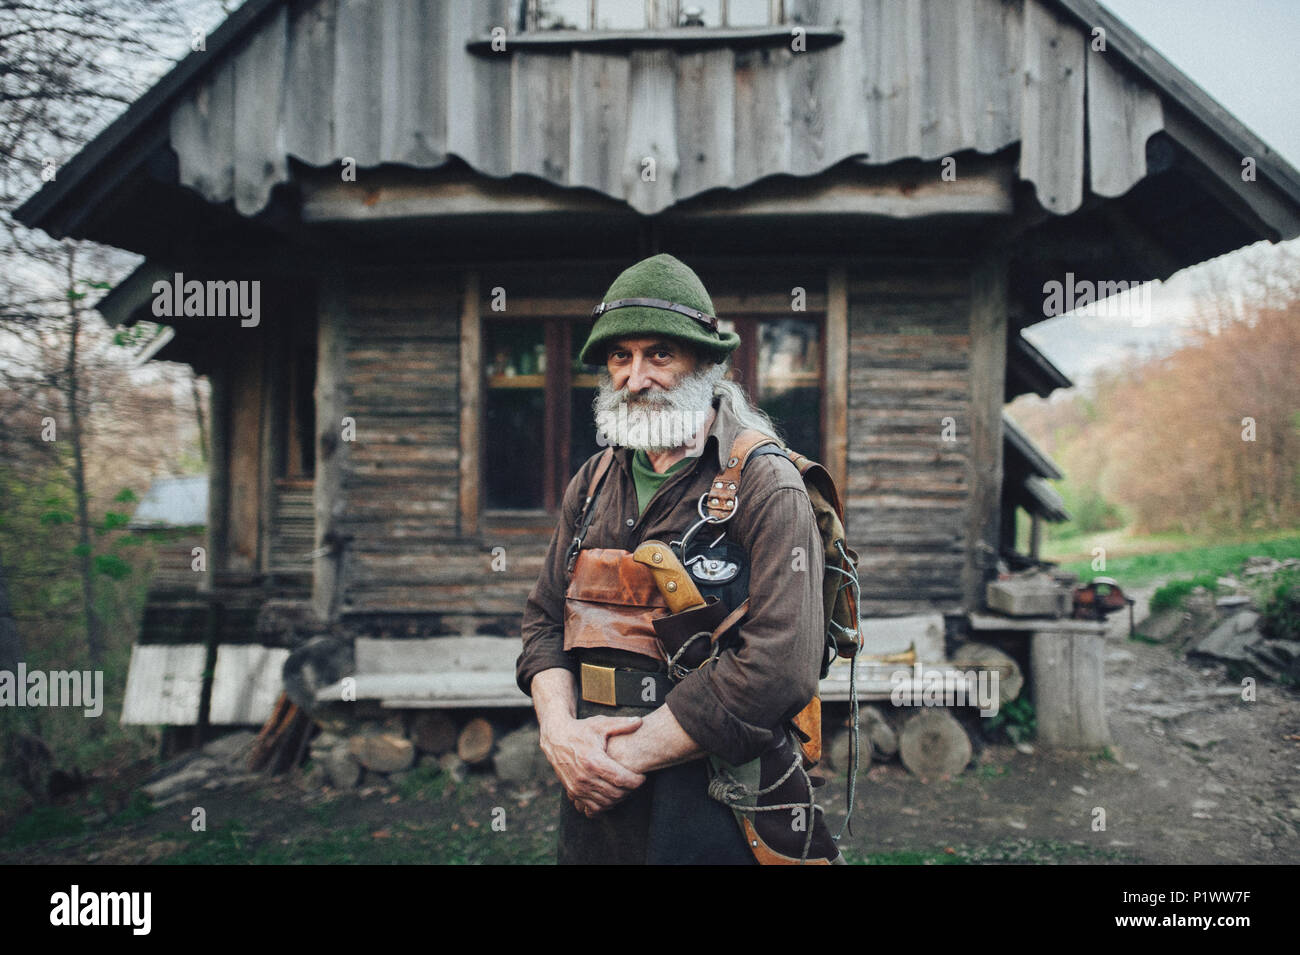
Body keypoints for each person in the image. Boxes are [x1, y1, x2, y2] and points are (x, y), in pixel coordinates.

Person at [515, 253, 829, 864]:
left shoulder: (770, 487)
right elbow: (543, 625)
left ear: (707, 364)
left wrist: (617, 758)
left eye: (659, 354)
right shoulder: (592, 482)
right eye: (619, 357)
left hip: (717, 801)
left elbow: (779, 669)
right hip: (596, 805)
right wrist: (561, 737)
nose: (635, 377)